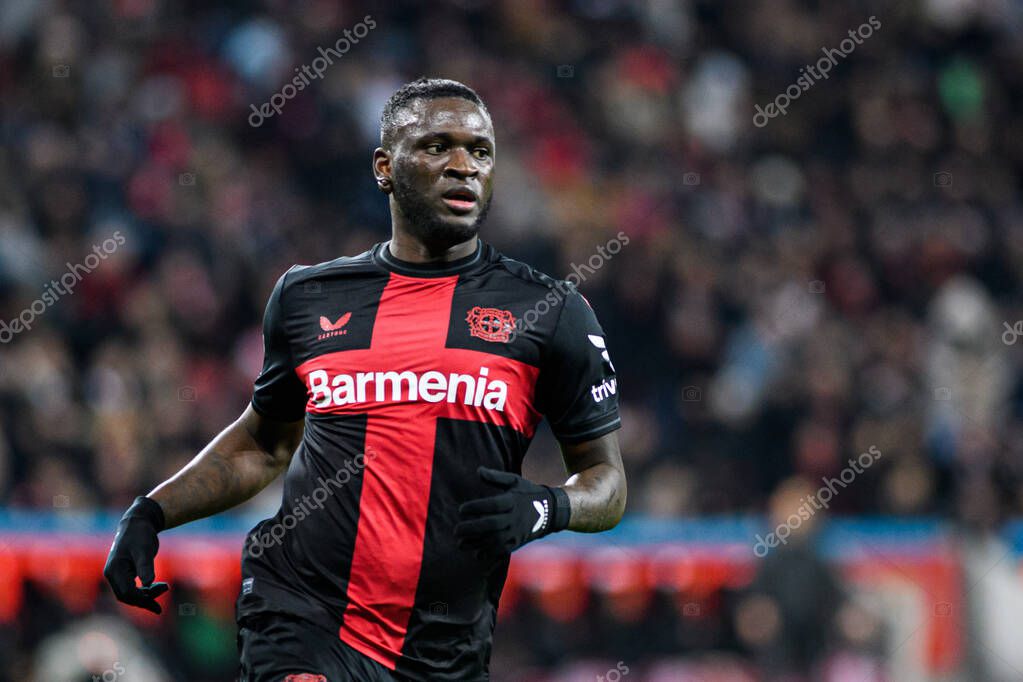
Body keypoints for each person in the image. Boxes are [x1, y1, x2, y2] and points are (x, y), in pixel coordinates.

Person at [103, 77, 627, 682]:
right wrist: (151, 512)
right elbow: (264, 445)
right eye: (437, 146)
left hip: (443, 651)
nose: (464, 166)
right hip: (302, 617)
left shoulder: (550, 311)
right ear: (385, 168)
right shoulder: (308, 296)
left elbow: (608, 483)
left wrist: (548, 507)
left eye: (480, 151)